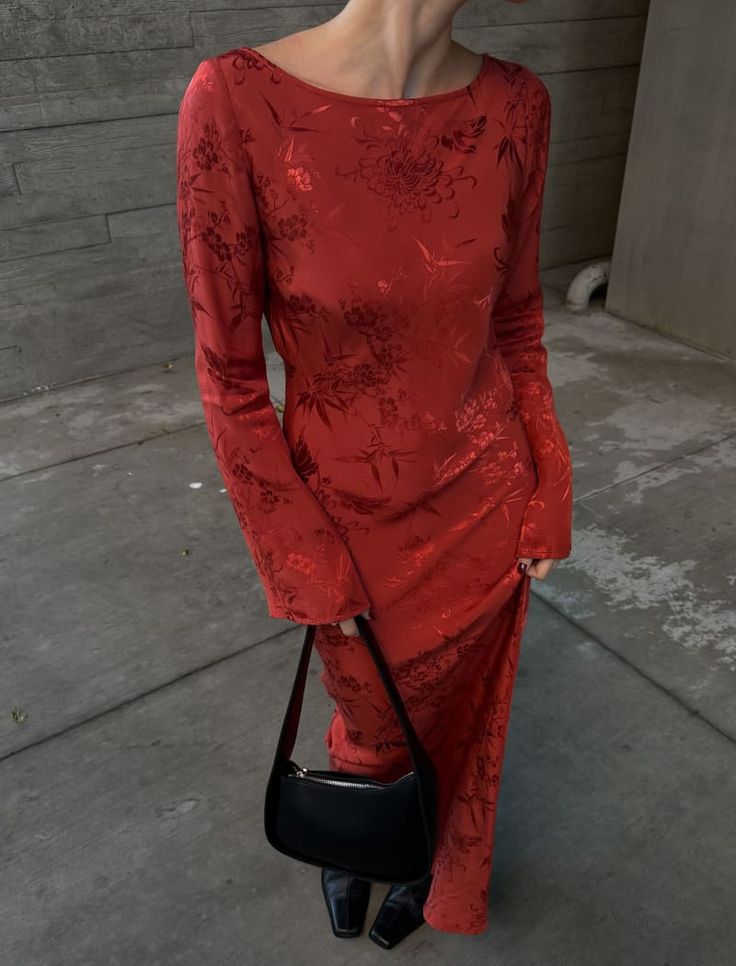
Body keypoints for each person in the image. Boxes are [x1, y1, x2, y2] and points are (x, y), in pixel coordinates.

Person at [175, 0, 573, 949]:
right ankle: (362, 839)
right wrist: (296, 554)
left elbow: (515, 324)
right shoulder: (237, 100)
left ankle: (423, 861)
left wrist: (551, 480)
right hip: (344, 519)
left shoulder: (518, 105)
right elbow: (228, 375)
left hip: (487, 502)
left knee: (464, 715)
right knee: (372, 718)